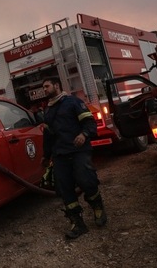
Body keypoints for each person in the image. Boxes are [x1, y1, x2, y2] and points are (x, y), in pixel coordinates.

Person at [40, 77, 107, 239]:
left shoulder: (73, 102)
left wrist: (84, 135)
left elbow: (90, 123)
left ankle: (97, 206)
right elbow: (48, 136)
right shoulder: (47, 110)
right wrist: (46, 155)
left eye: (47, 86)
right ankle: (77, 223)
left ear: (56, 86)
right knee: (65, 189)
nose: (44, 90)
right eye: (43, 87)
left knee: (86, 180)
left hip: (78, 150)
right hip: (59, 154)